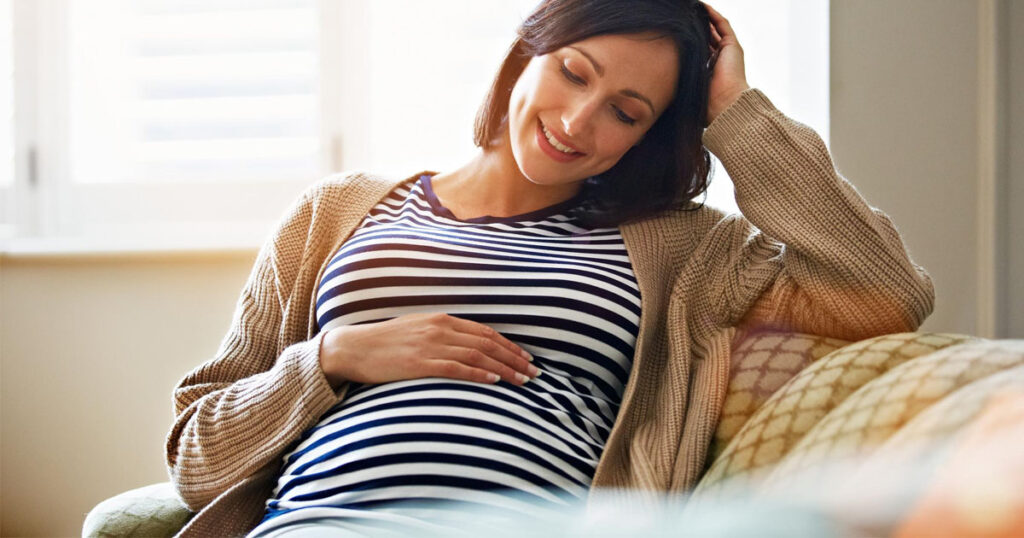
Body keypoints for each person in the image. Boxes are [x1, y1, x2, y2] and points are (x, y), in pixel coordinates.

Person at [164, 0, 935, 536]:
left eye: (626, 112)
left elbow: (886, 292)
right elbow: (197, 458)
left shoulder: (683, 249)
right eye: (573, 72)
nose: (577, 121)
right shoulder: (335, 213)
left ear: (649, 136)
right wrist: (334, 356)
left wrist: (735, 110)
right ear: (526, 51)